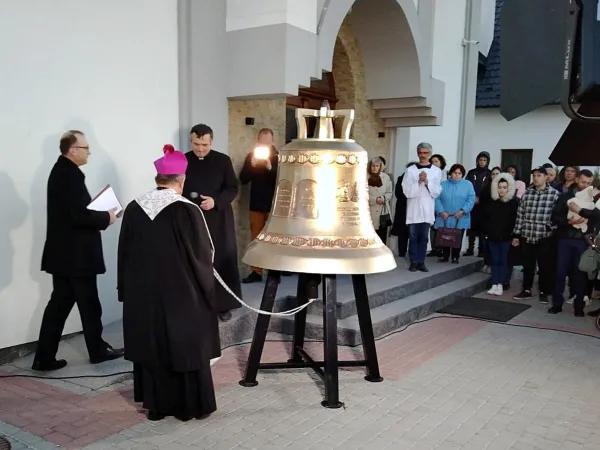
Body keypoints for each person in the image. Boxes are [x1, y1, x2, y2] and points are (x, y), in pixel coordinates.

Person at [118, 144, 221, 422]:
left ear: (157, 178)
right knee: (183, 347)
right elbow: (202, 256)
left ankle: (157, 407)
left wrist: (125, 292)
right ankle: (189, 407)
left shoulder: (134, 208)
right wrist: (210, 295)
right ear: (181, 179)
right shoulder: (186, 210)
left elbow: (123, 255)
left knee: (153, 348)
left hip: (143, 298)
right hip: (182, 298)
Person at [32, 130, 123, 371]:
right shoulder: (68, 175)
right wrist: (107, 216)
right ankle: (97, 351)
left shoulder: (62, 172)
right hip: (75, 256)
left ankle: (44, 357)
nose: (89, 152)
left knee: (60, 305)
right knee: (89, 304)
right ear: (72, 150)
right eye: (85, 148)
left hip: (63, 255)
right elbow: (78, 216)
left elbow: (73, 212)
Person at [183, 124, 241, 322]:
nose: (200, 149)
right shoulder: (183, 160)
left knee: (221, 259)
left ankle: (223, 306)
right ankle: (195, 305)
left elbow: (233, 188)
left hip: (218, 219)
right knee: (194, 261)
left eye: (204, 144)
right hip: (191, 219)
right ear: (191, 141)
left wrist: (216, 201)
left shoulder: (222, 161)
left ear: (211, 142)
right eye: (196, 144)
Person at [549, 169, 595, 316]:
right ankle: (557, 304)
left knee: (580, 274)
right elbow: (555, 217)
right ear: (576, 180)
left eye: (589, 183)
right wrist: (568, 221)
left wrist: (591, 230)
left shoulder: (593, 200)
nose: (586, 185)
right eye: (583, 182)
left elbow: (596, 219)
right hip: (564, 239)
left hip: (582, 241)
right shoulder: (565, 197)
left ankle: (579, 306)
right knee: (560, 273)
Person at [512, 166, 560, 303]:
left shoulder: (554, 194)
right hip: (527, 234)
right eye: (534, 176)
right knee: (528, 265)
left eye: (539, 176)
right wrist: (516, 234)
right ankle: (526, 289)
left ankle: (544, 291)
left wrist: (549, 227)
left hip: (544, 236)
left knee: (544, 265)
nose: (536, 178)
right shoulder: (527, 194)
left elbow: (558, 216)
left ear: (546, 177)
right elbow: (520, 215)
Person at [239, 128, 279, 284]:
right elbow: (243, 179)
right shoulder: (251, 157)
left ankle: (275, 271)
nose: (265, 145)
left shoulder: (279, 158)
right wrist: (251, 166)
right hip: (256, 204)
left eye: (267, 143)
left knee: (275, 240)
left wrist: (270, 168)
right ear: (258, 142)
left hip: (274, 206)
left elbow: (282, 181)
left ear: (272, 142)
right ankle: (256, 272)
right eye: (262, 143)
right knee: (255, 240)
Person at [402, 142, 442, 272]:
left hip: (426, 208)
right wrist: (418, 182)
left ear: (430, 154)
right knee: (413, 236)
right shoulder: (410, 170)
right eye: (420, 153)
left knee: (424, 237)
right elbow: (406, 191)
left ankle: (421, 261)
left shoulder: (436, 171)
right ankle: (413, 261)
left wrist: (427, 182)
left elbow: (436, 191)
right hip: (414, 208)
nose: (423, 155)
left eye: (425, 153)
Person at [482, 173, 519, 296]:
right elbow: (487, 220)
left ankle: (501, 284)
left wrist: (514, 236)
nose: (502, 190)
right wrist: (488, 233)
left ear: (509, 188)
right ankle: (494, 283)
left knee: (503, 261)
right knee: (494, 260)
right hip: (493, 236)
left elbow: (514, 221)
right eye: (499, 187)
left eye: (504, 187)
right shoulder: (491, 203)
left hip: (506, 238)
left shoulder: (513, 203)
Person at [433, 164, 475, 263]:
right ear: (450, 173)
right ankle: (445, 255)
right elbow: (437, 198)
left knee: (458, 236)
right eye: (455, 173)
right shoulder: (443, 184)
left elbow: (471, 199)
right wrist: (441, 211)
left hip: (461, 216)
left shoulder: (468, 184)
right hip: (445, 215)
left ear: (462, 175)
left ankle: (455, 256)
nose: (457, 175)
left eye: (459, 173)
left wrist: (463, 210)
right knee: (445, 234)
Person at [465, 151, 492, 257]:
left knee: (482, 228)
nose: (482, 162)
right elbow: (467, 185)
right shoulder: (472, 172)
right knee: (471, 227)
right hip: (472, 203)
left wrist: (482, 198)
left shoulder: (489, 173)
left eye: (484, 160)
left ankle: (481, 249)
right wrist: (473, 198)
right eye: (480, 160)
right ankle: (470, 248)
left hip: (484, 204)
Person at [390, 162, 417, 258]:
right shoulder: (401, 178)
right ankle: (402, 252)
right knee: (402, 231)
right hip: (403, 207)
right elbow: (398, 193)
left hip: (415, 208)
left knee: (414, 231)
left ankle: (413, 252)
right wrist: (408, 200)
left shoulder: (418, 180)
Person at [368, 157, 393, 244]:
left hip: (382, 211)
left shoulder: (385, 177)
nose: (374, 168)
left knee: (381, 237)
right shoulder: (365, 177)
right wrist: (375, 199)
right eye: (373, 166)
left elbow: (389, 192)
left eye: (377, 166)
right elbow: (361, 193)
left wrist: (383, 198)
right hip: (369, 210)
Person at [428, 154, 448, 257]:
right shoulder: (428, 173)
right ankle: (434, 248)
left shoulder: (445, 174)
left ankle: (441, 248)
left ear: (441, 163)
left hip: (441, 203)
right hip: (430, 202)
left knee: (441, 226)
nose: (434, 164)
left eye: (436, 161)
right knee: (432, 226)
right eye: (432, 162)